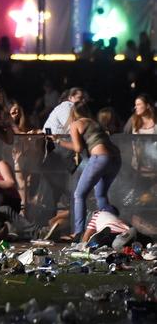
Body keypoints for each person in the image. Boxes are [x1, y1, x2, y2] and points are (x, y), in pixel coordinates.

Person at [53, 101, 121, 242]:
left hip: (100, 158)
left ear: (72, 114)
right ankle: (115, 224)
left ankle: (78, 233)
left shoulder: (75, 124)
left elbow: (78, 148)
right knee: (100, 195)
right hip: (115, 159)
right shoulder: (93, 122)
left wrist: (58, 141)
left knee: (79, 194)